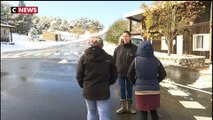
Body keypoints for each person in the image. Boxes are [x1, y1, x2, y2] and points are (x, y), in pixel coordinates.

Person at [76, 36, 118, 120]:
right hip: (103, 90)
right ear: (101, 45)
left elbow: (79, 75)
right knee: (104, 114)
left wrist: (84, 85)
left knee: (91, 112)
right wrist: (108, 83)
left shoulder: (83, 58)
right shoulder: (109, 58)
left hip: (88, 89)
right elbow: (114, 75)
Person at [127, 41, 167, 120]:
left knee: (143, 111)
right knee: (153, 110)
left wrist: (136, 83)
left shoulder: (136, 60)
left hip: (140, 91)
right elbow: (163, 74)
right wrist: (156, 81)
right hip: (154, 90)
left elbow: (129, 74)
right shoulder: (156, 60)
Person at [113, 31, 137, 114]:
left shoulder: (135, 48)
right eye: (123, 36)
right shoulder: (118, 48)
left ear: (130, 37)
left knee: (129, 89)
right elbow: (114, 60)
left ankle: (129, 107)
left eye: (126, 36)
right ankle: (123, 107)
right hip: (120, 73)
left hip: (130, 74)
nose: (125, 38)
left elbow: (137, 61)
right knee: (122, 89)